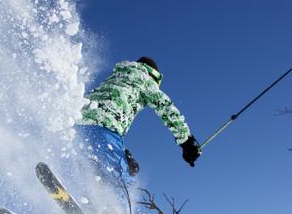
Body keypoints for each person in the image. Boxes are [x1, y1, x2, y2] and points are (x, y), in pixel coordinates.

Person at [76, 57, 200, 188]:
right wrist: (186, 141)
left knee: (88, 169)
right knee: (122, 182)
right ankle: (113, 208)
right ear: (155, 76)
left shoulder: (117, 76)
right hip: (105, 128)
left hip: (78, 125)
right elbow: (166, 107)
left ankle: (82, 195)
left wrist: (124, 154)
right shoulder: (145, 80)